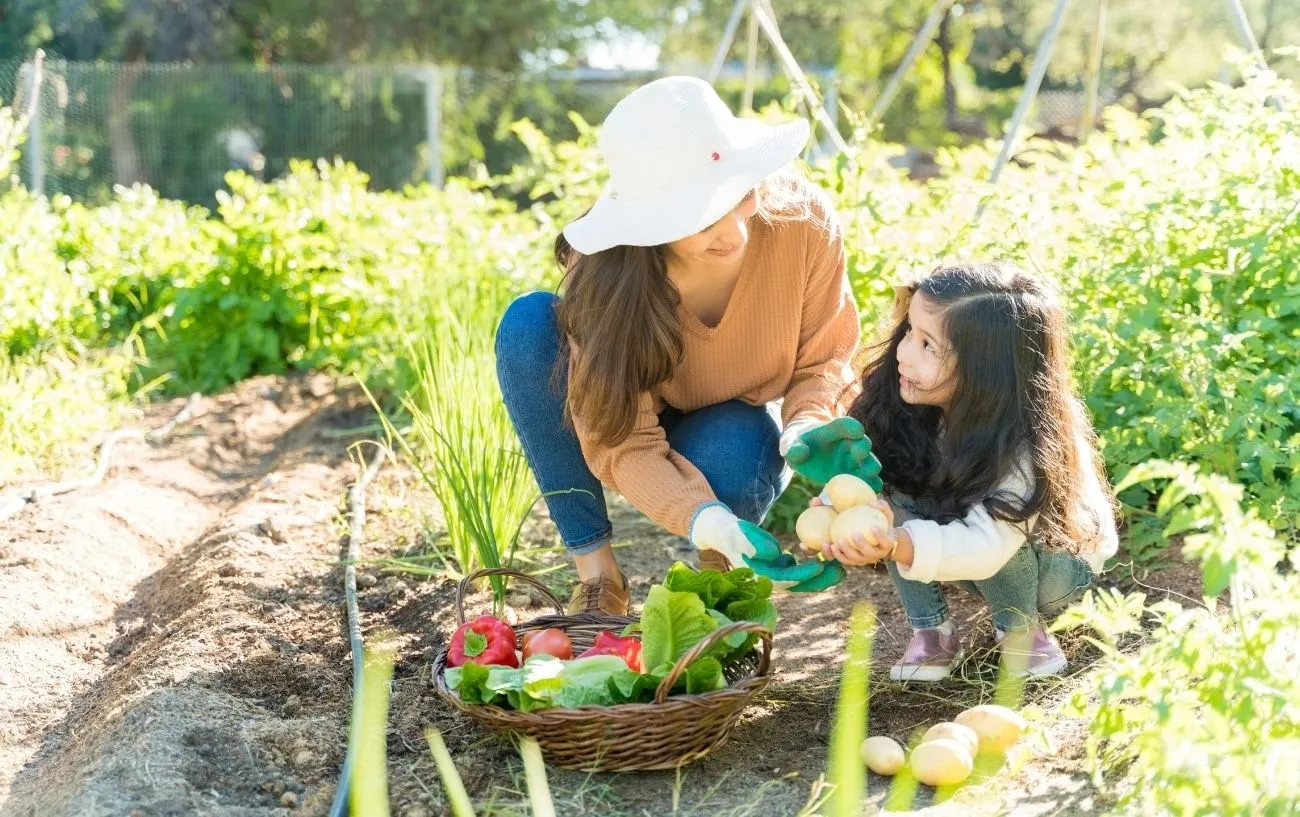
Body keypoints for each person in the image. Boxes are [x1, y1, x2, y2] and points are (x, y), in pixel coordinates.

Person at [495, 76, 881, 616]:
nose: (733, 233)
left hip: (731, 419)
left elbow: (826, 359)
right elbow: (623, 440)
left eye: (741, 196)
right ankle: (599, 577)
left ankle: (722, 574)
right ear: (651, 222)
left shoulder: (802, 223)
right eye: (700, 215)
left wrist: (808, 427)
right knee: (529, 325)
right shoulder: (609, 276)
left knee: (737, 449)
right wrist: (703, 515)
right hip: (620, 422)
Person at [810, 262, 1118, 679]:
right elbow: (873, 476)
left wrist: (895, 544)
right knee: (891, 493)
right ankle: (932, 634)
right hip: (975, 545)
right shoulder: (912, 405)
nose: (903, 353)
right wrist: (839, 511)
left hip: (1054, 567)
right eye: (908, 333)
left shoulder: (1025, 445)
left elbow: (991, 544)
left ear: (985, 372)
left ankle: (1022, 632)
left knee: (995, 523)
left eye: (927, 346)